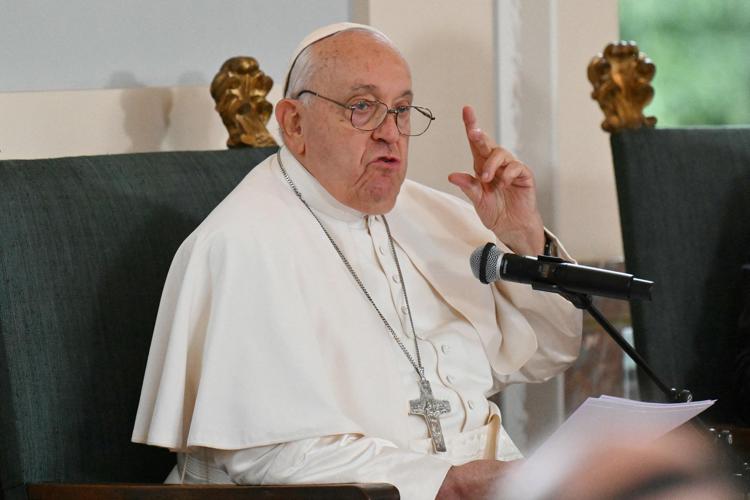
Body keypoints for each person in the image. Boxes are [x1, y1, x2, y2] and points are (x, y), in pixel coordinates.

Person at [132, 22, 582, 500]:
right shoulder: (239, 245)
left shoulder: (435, 217)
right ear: (294, 124)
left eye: (402, 110)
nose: (391, 134)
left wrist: (523, 238)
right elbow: (268, 456)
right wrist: (446, 484)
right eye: (362, 108)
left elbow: (549, 354)